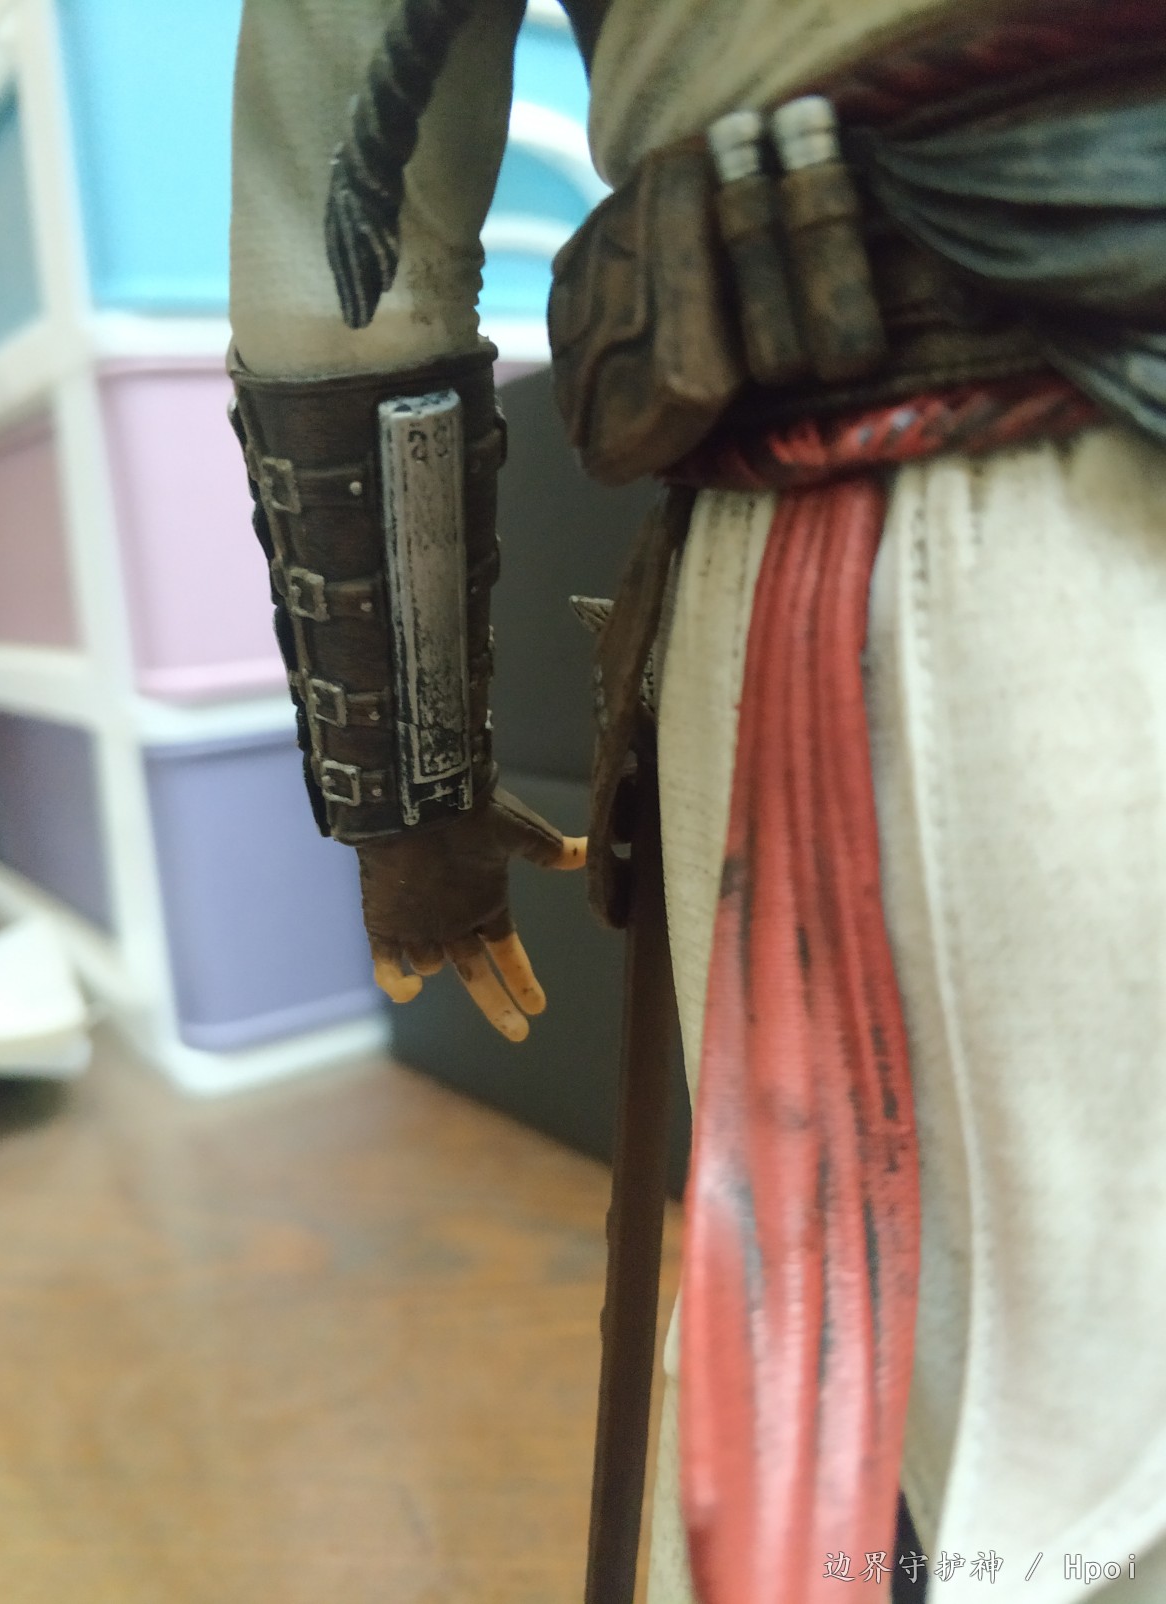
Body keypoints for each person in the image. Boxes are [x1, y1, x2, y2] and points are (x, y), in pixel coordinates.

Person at [228, 2, 1166, 1598]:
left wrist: (413, 806)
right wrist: (410, 785)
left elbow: (343, 221)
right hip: (944, 504)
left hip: (954, 534)